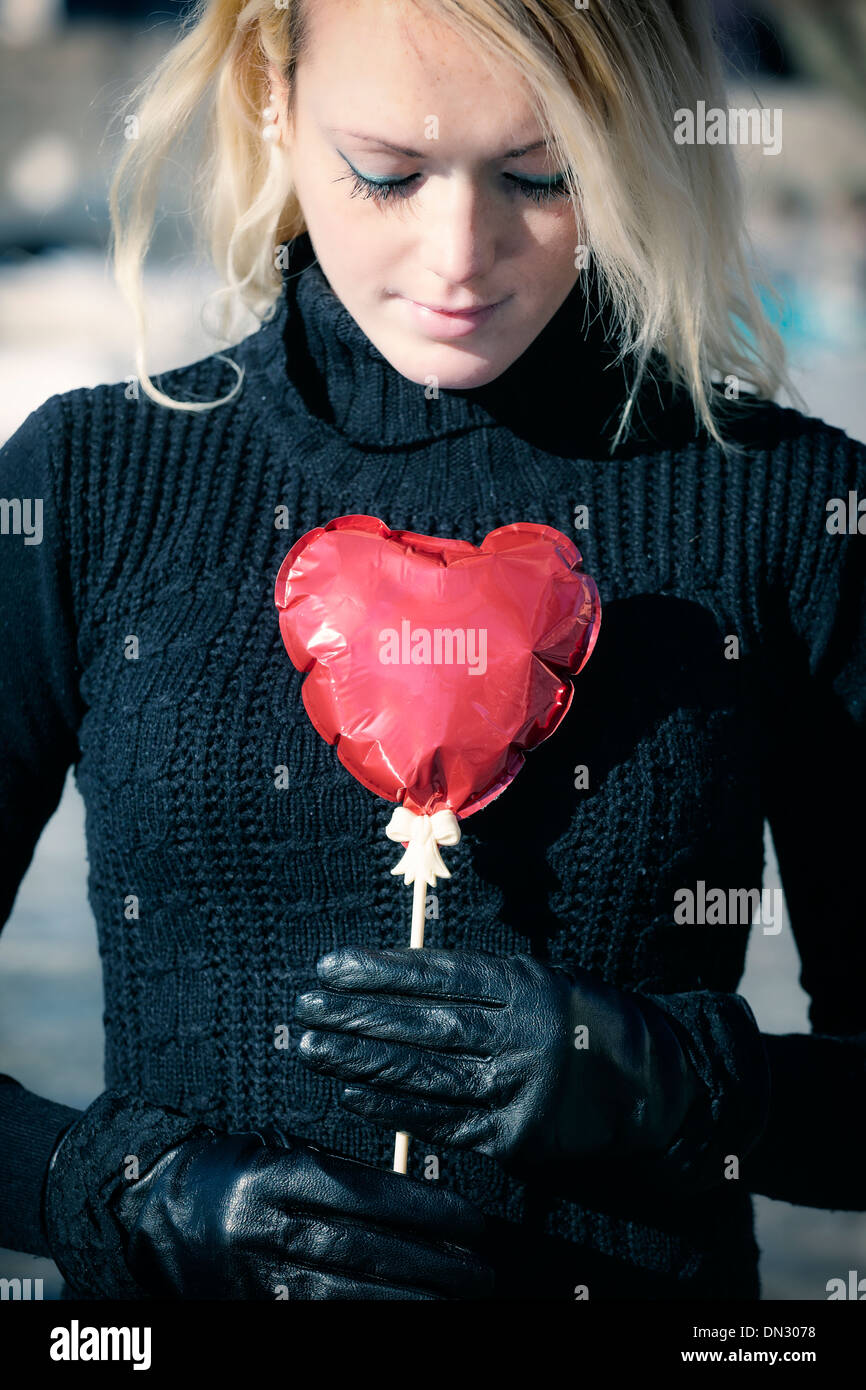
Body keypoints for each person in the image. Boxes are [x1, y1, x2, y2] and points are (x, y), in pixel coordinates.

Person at [0, 0, 863, 1302]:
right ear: (274, 100)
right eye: (387, 172)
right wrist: (112, 1190)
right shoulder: (89, 483)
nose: (459, 256)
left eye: (541, 173)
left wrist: (672, 1077)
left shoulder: (791, 510)